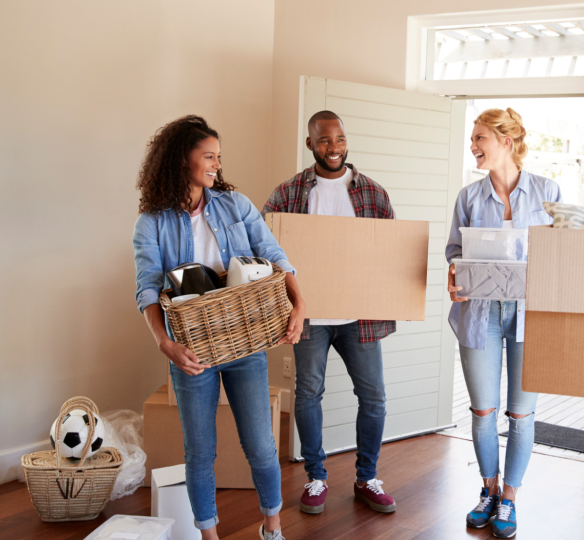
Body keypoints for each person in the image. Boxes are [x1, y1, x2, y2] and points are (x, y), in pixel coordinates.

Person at [133, 115, 306, 540]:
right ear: (181, 160)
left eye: (218, 157)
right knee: (200, 452)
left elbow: (273, 254)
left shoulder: (236, 205)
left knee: (262, 446)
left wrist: (300, 304)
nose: (216, 165)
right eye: (208, 156)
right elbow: (147, 289)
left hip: (244, 341)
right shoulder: (151, 222)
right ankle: (209, 536)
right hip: (191, 352)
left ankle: (273, 527)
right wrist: (165, 345)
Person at [262, 110, 397, 516]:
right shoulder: (288, 194)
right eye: (324, 141)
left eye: (338, 139)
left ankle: (366, 478)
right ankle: (316, 477)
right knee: (308, 393)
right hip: (310, 317)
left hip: (360, 317)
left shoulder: (372, 193)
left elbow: (391, 250)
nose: (333, 148)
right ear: (310, 144)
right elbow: (265, 248)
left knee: (373, 397)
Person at [445, 108, 563, 539]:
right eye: (472, 139)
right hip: (480, 311)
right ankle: (489, 491)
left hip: (531, 314)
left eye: (480, 138)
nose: (473, 146)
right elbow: (453, 252)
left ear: (506, 142)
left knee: (522, 413)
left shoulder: (548, 191)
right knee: (482, 411)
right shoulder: (469, 197)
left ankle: (510, 499)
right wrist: (455, 276)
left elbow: (563, 252)